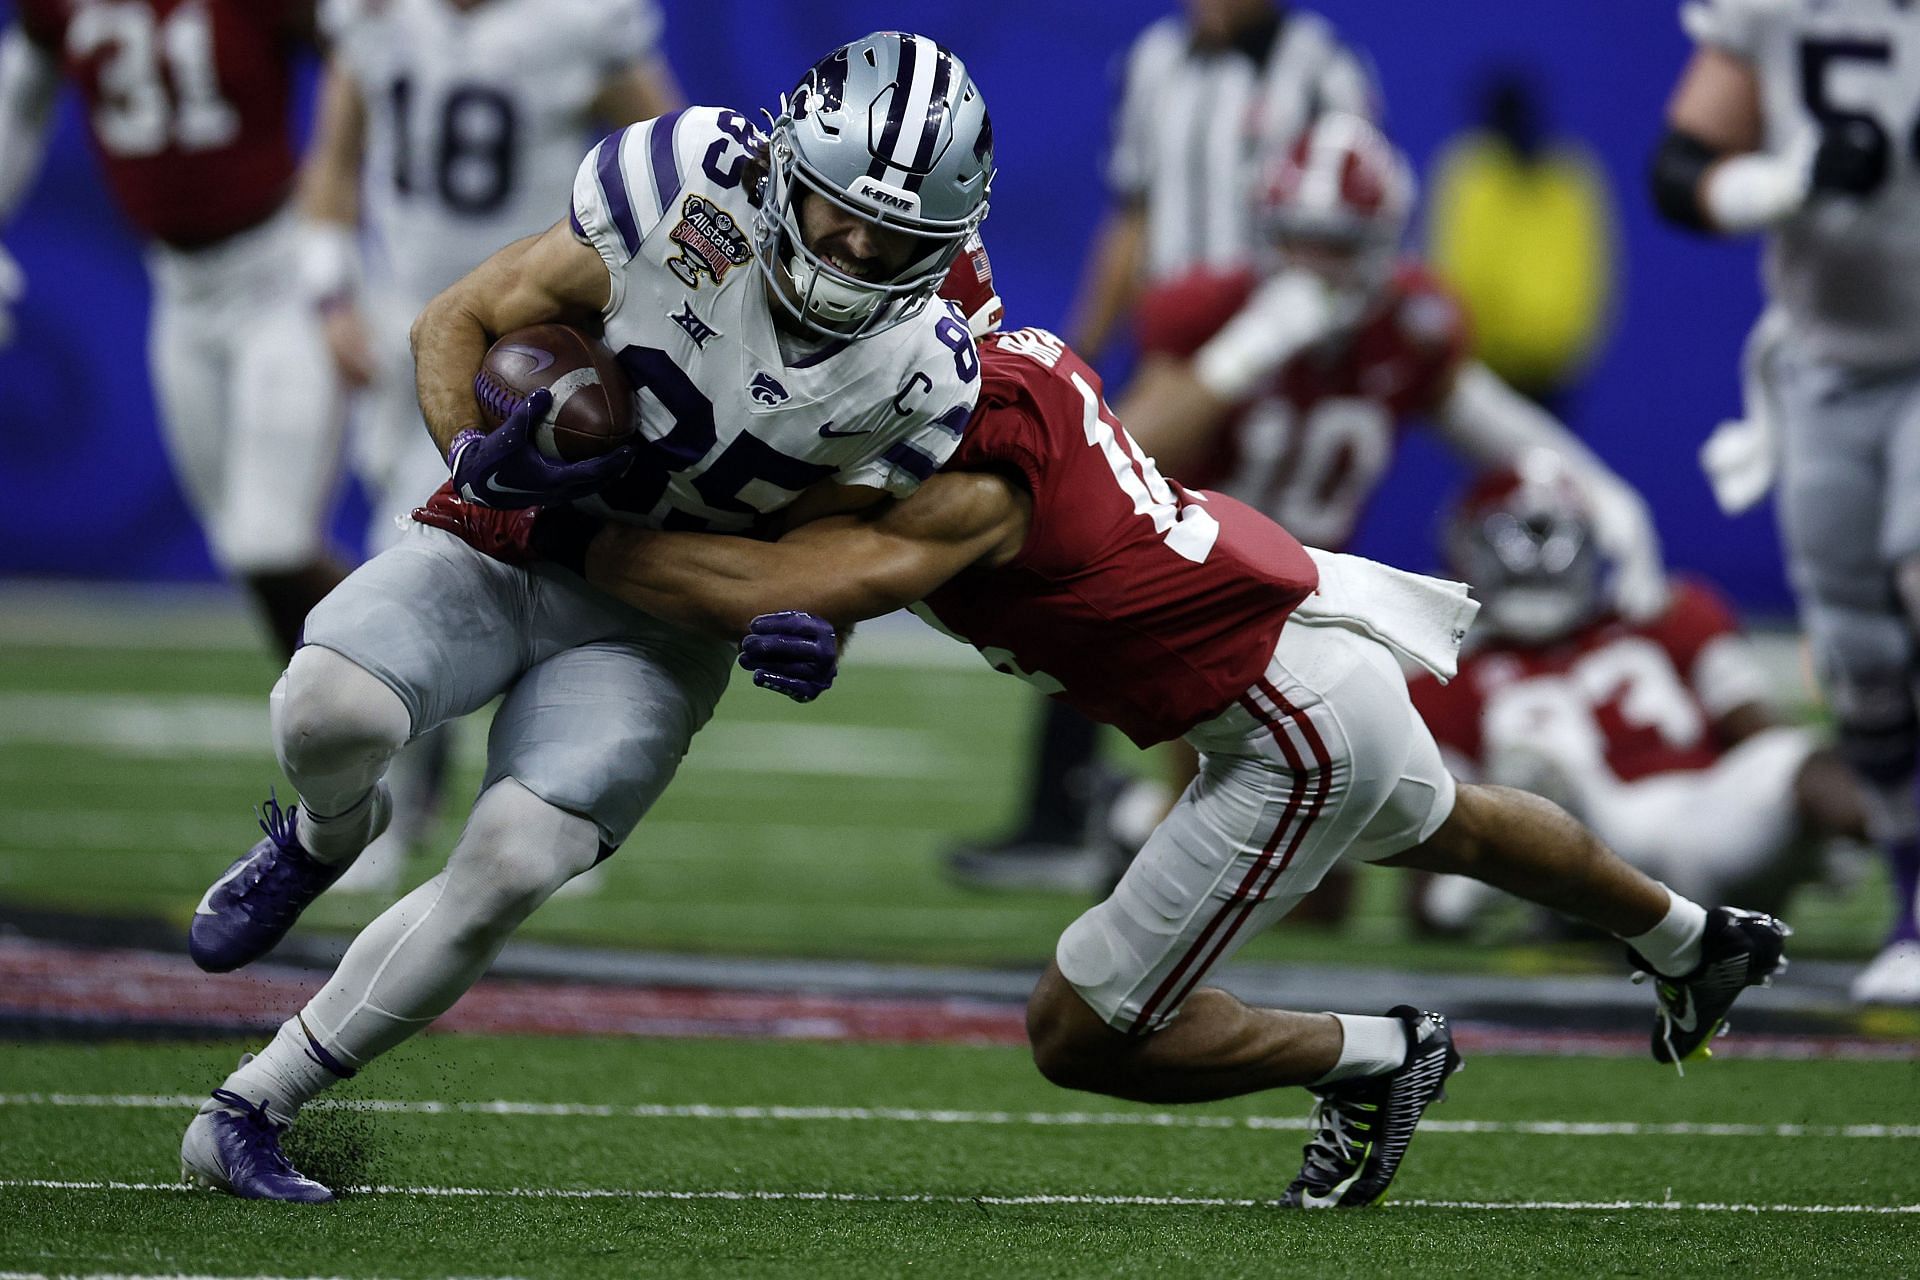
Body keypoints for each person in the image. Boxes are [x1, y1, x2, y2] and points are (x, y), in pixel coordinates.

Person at [428, 290, 1790, 1209]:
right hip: (1307, 650)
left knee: (1077, 1029)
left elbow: (759, 584)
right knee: (1454, 823)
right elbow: (822, 551)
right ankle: (1689, 939)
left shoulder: (967, 480)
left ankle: (1377, 1051)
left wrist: (544, 530)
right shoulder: (1008, 365)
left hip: (1280, 722)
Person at [176, 32, 995, 1202]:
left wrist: (820, 618)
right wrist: (475, 452)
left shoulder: (932, 369)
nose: (857, 251)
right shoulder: (680, 181)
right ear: (781, 171)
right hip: (513, 537)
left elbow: (828, 537)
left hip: (658, 620)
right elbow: (453, 322)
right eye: (836, 214)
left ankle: (255, 1103)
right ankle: (323, 833)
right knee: (327, 704)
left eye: (896, 237)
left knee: (520, 854)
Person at [958, 113, 1666, 895]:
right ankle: (1140, 819)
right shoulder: (1213, 309)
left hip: (1310, 595)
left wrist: (1605, 495)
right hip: (1188, 583)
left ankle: (1136, 821)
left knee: (1323, 891)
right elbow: (1111, 443)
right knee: (1259, 842)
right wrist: (1246, 351)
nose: (1313, 263)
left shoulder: (1409, 324)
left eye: (1336, 243)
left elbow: (1493, 425)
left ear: (1381, 243)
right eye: (1298, 237)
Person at [945, 0, 1380, 886]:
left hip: (1270, 363)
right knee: (1080, 558)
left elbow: (1350, 218)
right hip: (1174, 354)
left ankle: (1243, 804)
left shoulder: (1325, 72)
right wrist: (1082, 352)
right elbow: (1132, 218)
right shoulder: (1155, 60)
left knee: (1235, 578)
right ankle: (1065, 811)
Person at [294, 0, 682, 891]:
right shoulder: (374, 15)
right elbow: (336, 161)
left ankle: (547, 797)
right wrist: (330, 294)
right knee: (405, 553)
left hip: (538, 345)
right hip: (415, 329)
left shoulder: (579, 20)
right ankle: (395, 810)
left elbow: (671, 167)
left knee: (554, 571)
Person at [1651, 0, 1920, 1003]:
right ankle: (1908, 896)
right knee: (1857, 655)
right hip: (1823, 364)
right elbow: (1680, 170)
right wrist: (1787, 179)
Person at [0, 0, 345, 655]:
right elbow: (18, 98)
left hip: (280, 274)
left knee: (270, 541)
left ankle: (410, 681)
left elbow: (358, 62)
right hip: (177, 291)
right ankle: (352, 732)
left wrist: (338, 215)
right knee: (244, 555)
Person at [1409, 462, 1866, 933]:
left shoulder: (1668, 617)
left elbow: (1759, 732)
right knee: (1532, 775)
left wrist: (1805, 809)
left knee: (1816, 759)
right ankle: (1484, 886)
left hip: (1709, 815)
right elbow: (1432, 833)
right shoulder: (1447, 674)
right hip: (1592, 841)